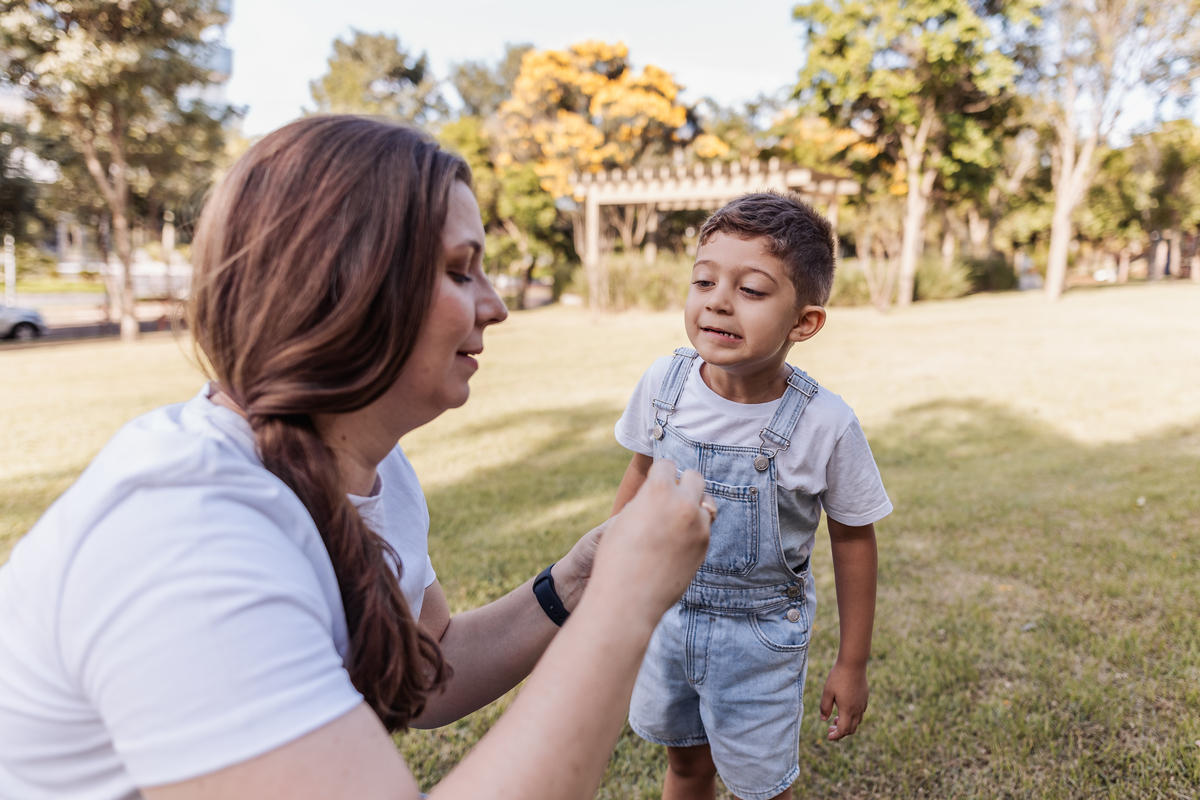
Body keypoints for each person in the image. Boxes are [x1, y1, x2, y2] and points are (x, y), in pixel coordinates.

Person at [0, 116, 714, 800]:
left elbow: (428, 667)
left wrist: (577, 584)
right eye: (462, 272)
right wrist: (625, 602)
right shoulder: (184, 538)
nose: (495, 307)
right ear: (348, 287)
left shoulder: (372, 469)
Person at [611, 192, 893, 800]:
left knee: (761, 789)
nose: (717, 300)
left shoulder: (826, 425)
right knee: (686, 767)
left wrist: (852, 663)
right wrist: (609, 575)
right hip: (667, 617)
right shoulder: (665, 385)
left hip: (760, 640)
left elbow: (853, 539)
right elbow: (638, 475)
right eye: (704, 281)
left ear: (804, 322)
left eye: (752, 290)